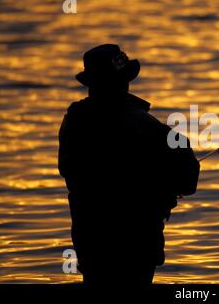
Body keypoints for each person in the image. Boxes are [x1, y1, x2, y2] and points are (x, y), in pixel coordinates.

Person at [58, 44, 200, 286]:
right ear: (124, 81)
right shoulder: (145, 125)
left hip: (91, 242)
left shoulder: (75, 119)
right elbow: (188, 176)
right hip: (136, 244)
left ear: (91, 82)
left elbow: (69, 171)